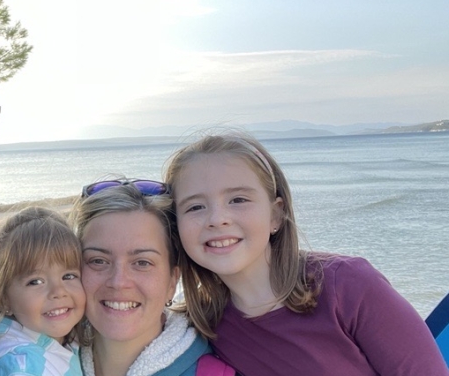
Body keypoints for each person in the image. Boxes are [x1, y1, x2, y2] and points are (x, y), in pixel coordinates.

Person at [164, 132, 449, 376]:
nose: (217, 218)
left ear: (276, 214)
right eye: (195, 207)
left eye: (238, 199)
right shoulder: (196, 323)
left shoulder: (348, 286)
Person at [71, 179, 224, 376]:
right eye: (98, 261)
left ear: (172, 281)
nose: (118, 282)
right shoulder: (36, 358)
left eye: (142, 263)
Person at [0, 206, 86, 376]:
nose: (58, 291)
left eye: (68, 276)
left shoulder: (53, 335)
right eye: (35, 282)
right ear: (4, 298)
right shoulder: (21, 367)